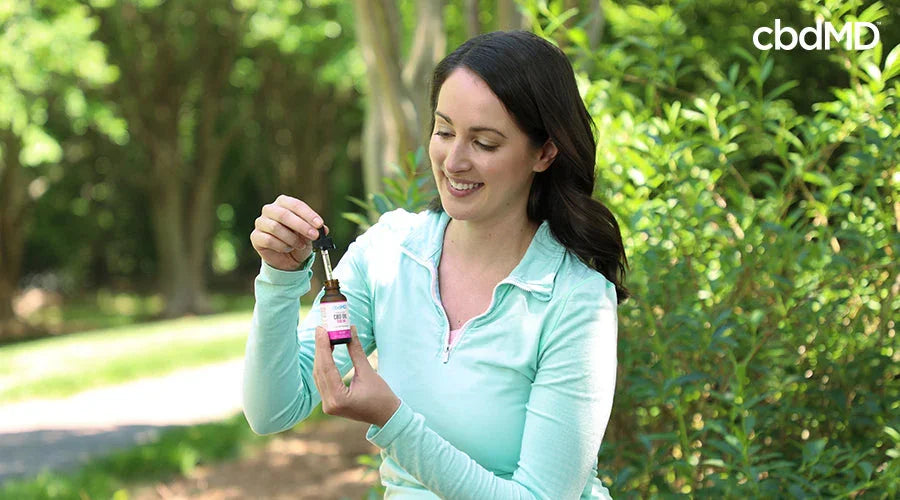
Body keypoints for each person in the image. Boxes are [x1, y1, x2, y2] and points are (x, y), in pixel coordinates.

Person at [244, 30, 630, 499]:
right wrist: (280, 279)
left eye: (484, 143)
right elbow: (273, 410)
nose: (453, 161)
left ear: (545, 152)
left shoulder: (576, 299)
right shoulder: (389, 253)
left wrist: (393, 421)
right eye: (444, 131)